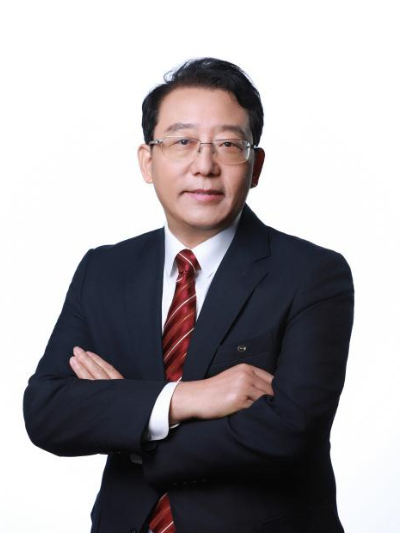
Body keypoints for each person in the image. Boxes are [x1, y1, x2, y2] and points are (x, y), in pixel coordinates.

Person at [23, 57, 354, 533]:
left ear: (256, 165)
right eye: (182, 142)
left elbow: (288, 433)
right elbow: (48, 411)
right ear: (147, 161)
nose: (204, 165)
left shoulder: (312, 273)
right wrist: (186, 399)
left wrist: (130, 425)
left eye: (228, 145)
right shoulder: (105, 269)